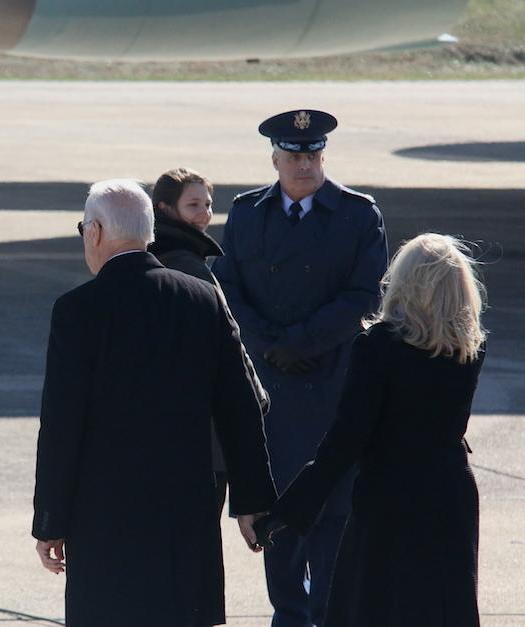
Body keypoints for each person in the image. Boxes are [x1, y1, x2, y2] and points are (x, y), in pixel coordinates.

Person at [32, 179, 276, 626]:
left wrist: (50, 520)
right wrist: (252, 502)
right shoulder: (203, 298)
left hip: (104, 518)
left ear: (96, 232)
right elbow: (239, 407)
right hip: (186, 514)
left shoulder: (77, 310)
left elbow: (61, 425)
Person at [253, 233, 487, 627]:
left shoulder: (379, 346)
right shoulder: (470, 348)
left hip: (391, 496)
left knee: (377, 607)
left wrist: (287, 511)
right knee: (443, 605)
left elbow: (346, 440)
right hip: (449, 491)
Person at [213, 109, 388, 627]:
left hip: (333, 380)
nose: (303, 165)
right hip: (271, 384)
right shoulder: (248, 213)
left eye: (311, 155)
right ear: (275, 159)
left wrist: (305, 342)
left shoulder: (358, 214)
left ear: (323, 157)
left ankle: (330, 614)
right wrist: (271, 347)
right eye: (293, 156)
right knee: (278, 506)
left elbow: (365, 291)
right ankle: (288, 615)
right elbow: (229, 290)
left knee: (334, 508)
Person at [148, 167, 230, 514]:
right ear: (165, 209)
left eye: (208, 204)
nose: (205, 214)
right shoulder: (188, 266)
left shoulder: (158, 257)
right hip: (200, 439)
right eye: (193, 205)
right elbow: (227, 343)